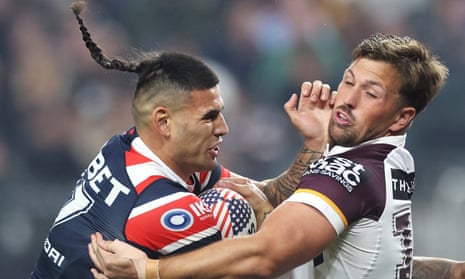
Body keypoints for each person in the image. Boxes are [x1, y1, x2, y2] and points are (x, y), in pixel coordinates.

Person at [87, 33, 465, 279]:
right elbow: (381, 262)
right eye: (348, 80)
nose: (347, 98)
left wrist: (148, 270)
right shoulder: (394, 162)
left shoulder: (352, 173)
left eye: (371, 93)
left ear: (402, 117)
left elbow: (266, 256)